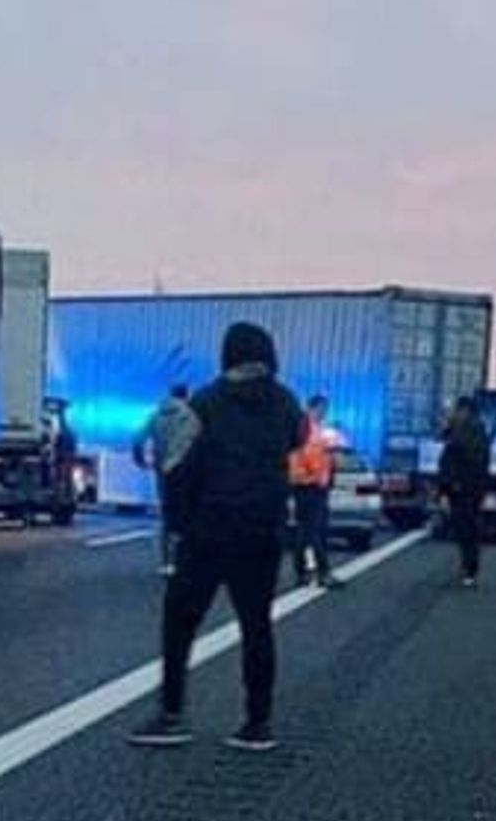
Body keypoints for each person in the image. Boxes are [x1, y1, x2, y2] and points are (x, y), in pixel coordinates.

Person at [128, 322, 305, 753]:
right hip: (262, 529)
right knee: (257, 624)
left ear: (229, 354)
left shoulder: (206, 402)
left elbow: (179, 465)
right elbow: (296, 444)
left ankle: (172, 714)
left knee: (180, 621)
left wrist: (178, 522)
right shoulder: (287, 403)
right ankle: (257, 723)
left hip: (209, 529)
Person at [132, 384, 200, 575]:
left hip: (162, 470)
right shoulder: (189, 415)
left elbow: (138, 439)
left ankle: (166, 562)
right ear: (185, 396)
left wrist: (141, 460)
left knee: (167, 513)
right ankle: (183, 559)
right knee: (187, 514)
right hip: (184, 470)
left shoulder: (155, 415)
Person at [288, 394, 343, 589]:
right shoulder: (307, 428)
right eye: (322, 409)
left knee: (305, 531)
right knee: (317, 530)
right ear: (314, 408)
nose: (324, 413)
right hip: (310, 485)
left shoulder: (311, 427)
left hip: (307, 485)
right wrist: (319, 477)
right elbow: (307, 455)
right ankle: (323, 573)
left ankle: (302, 572)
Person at [438, 396, 491, 587]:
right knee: (464, 529)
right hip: (466, 488)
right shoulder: (472, 429)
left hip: (465, 488)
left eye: (457, 410)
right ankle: (468, 567)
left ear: (465, 411)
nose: (454, 414)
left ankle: (470, 569)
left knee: (467, 529)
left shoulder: (470, 430)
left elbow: (455, 454)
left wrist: (451, 485)